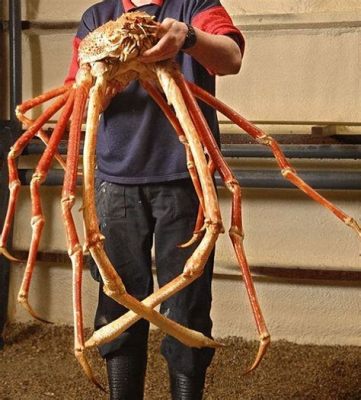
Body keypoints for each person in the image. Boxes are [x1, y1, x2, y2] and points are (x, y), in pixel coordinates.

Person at [66, 1, 244, 399]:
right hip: (114, 181)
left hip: (184, 179)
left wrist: (188, 37)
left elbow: (231, 57)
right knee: (116, 302)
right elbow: (72, 94)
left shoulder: (194, 5)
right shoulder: (98, 17)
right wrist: (100, 86)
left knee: (187, 304)